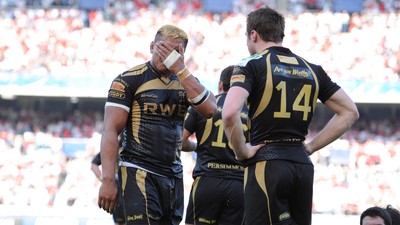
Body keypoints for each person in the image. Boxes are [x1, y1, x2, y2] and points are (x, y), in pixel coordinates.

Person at [221, 6, 359, 225]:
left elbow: (229, 113)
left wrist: (242, 151)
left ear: (253, 34)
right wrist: (311, 147)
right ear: (280, 35)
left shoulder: (250, 65)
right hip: (302, 164)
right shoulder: (313, 69)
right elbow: (350, 112)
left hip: (266, 163)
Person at [97, 24, 217, 225]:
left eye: (174, 52)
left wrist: (180, 69)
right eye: (162, 49)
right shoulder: (128, 80)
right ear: (152, 46)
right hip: (138, 170)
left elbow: (211, 109)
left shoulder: (187, 81)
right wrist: (108, 179)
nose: (166, 56)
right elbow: (110, 130)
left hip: (173, 174)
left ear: (182, 54)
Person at [182, 65, 248, 225]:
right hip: (239, 185)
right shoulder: (251, 111)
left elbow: (181, 142)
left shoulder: (204, 105)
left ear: (220, 85)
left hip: (207, 181)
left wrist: (196, 146)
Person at [91, 152, 126, 225]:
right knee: (120, 221)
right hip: (117, 189)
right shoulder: (112, 146)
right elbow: (93, 165)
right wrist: (105, 181)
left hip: (132, 187)